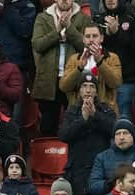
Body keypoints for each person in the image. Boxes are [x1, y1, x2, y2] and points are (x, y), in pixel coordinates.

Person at [31, 0, 91, 136]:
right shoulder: (43, 17)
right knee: (47, 126)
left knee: (75, 124)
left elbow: (86, 46)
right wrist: (57, 31)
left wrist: (69, 28)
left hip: (74, 78)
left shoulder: (83, 18)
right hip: (48, 79)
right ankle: (49, 155)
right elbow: (37, 45)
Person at [58, 72, 117, 195]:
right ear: (79, 90)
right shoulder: (72, 111)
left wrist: (95, 115)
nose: (88, 90)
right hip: (77, 169)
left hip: (100, 169)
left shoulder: (106, 110)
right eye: (84, 86)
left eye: (92, 86)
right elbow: (64, 135)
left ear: (97, 90)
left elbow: (114, 130)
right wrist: (83, 119)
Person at [92, 0, 135, 121]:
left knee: (122, 119)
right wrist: (108, 35)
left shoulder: (134, 16)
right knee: (99, 119)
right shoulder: (98, 19)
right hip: (102, 80)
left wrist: (117, 33)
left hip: (126, 80)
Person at [59, 23, 122, 114]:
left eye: (95, 36)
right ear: (83, 39)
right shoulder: (74, 59)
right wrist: (79, 67)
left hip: (105, 111)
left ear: (101, 38)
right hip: (78, 111)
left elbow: (115, 83)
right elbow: (64, 86)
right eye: (88, 36)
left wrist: (100, 62)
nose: (91, 39)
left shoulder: (112, 58)